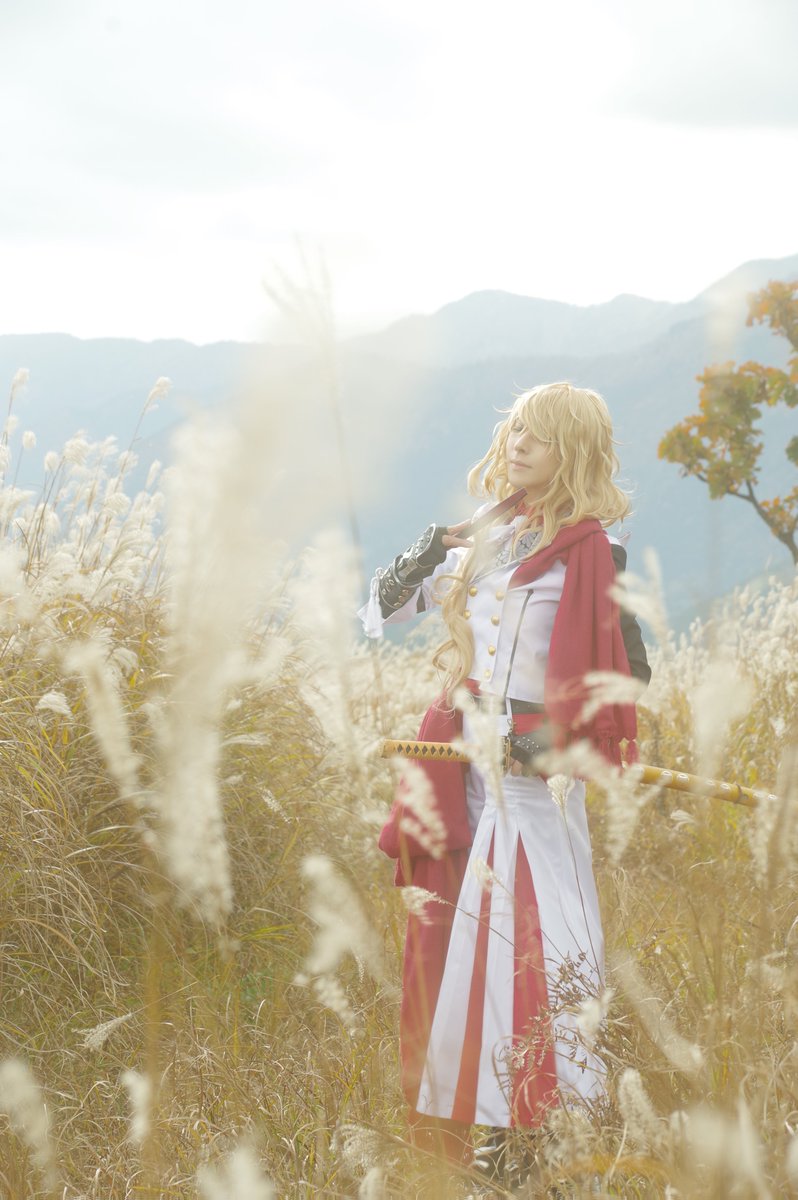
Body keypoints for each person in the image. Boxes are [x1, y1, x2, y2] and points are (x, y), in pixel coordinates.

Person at [360, 382, 650, 1181]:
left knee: (541, 941)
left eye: (540, 436)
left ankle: (548, 1126)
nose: (519, 445)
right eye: (516, 429)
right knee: (458, 943)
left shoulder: (598, 554)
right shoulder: (485, 538)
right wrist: (428, 551)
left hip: (534, 784)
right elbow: (383, 613)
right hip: (461, 767)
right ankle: (475, 1123)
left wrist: (551, 736)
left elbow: (629, 673)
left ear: (574, 453)